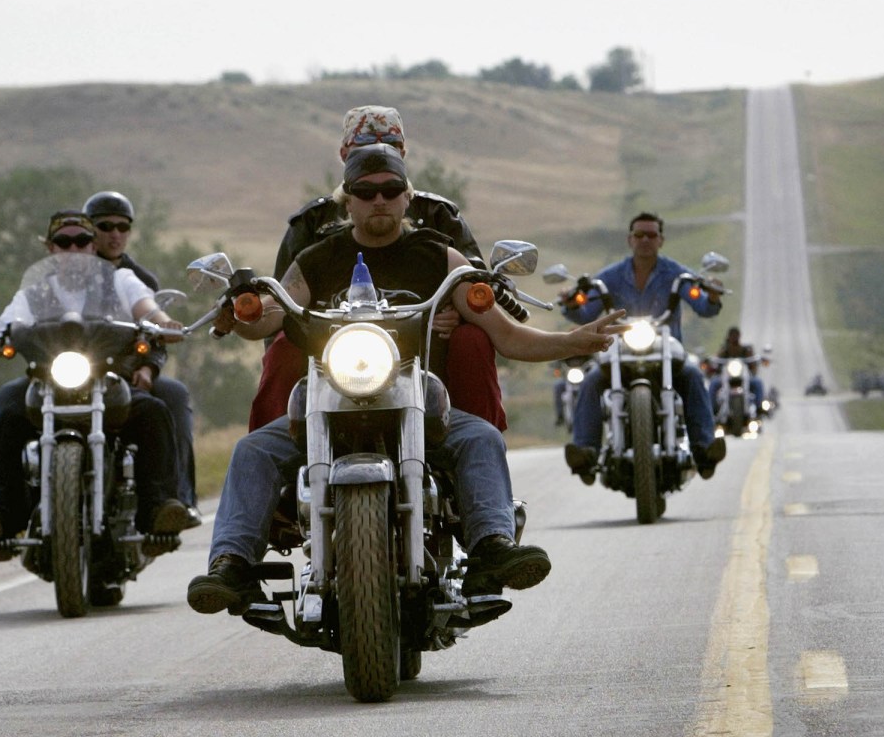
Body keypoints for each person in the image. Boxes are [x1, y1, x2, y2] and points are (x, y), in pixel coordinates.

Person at [186, 144, 628, 615]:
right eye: (365, 191)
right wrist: (243, 311)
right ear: (348, 199)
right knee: (252, 449)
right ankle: (231, 566)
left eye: (391, 190)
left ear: (406, 196)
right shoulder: (317, 259)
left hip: (416, 395)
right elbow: (272, 316)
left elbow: (508, 334)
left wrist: (574, 340)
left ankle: (492, 548)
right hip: (329, 400)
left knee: (479, 436)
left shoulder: (441, 258)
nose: (379, 200)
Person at [249, 105, 506, 432]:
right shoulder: (312, 222)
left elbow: (480, 289)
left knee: (473, 339)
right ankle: (276, 443)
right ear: (344, 155)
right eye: (364, 191)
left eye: (390, 150)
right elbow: (280, 303)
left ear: (404, 154)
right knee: (283, 346)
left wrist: (459, 310)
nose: (378, 198)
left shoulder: (439, 214)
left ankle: (478, 441)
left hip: (428, 347)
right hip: (331, 351)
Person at [0, 210, 189, 559]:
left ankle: (160, 509)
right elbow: (11, 323)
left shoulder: (120, 280)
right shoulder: (34, 292)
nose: (73, 248)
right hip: (49, 383)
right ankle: (0, 516)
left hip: (107, 380)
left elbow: (147, 309)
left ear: (92, 247)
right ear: (50, 248)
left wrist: (163, 322)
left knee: (154, 412)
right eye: (64, 241)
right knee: (10, 411)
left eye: (82, 241)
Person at [560, 212, 728, 482]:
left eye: (651, 235)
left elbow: (704, 307)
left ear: (661, 240)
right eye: (639, 235)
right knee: (591, 380)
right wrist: (571, 303)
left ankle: (704, 450)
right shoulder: (610, 276)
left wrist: (712, 295)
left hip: (666, 352)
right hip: (620, 354)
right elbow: (585, 312)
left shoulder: (677, 274)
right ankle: (586, 452)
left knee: (694, 375)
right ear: (630, 239)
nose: (645, 240)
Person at [84, 190, 201, 529]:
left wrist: (149, 366)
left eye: (123, 226)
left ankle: (177, 499)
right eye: (105, 226)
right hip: (74, 372)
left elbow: (154, 327)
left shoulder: (138, 279)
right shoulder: (64, 278)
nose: (115, 234)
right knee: (12, 399)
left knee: (174, 396)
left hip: (127, 371)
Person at [707, 326, 768, 412]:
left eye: (736, 335)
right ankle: (710, 410)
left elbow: (752, 362)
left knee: (758, 382)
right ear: (728, 336)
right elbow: (716, 359)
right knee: (713, 384)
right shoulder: (724, 349)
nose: (734, 338)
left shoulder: (745, 349)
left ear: (739, 336)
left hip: (744, 377)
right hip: (725, 377)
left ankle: (759, 408)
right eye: (732, 335)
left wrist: (754, 361)